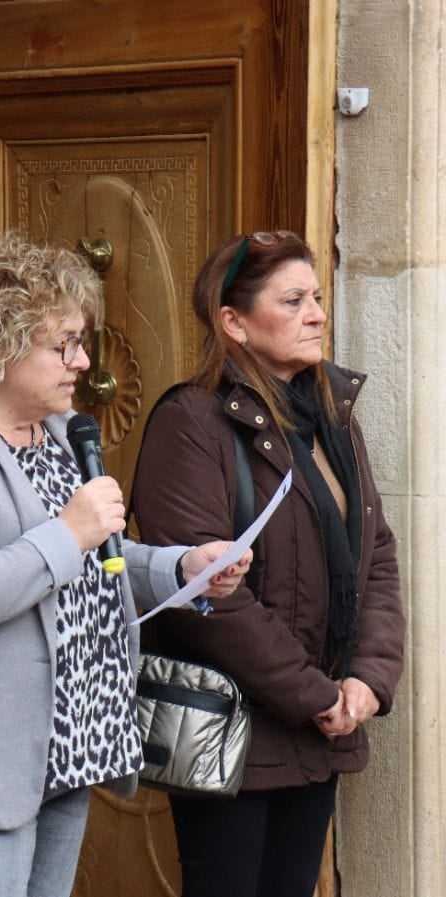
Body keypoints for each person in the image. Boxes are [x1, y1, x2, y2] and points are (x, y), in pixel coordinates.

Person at [0, 231, 249, 897]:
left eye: (81, 340)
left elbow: (97, 559)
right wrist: (68, 531)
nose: (81, 360)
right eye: (62, 343)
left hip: (71, 740)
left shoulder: (58, 432)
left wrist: (182, 567)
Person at [130, 231, 404, 897]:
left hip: (321, 730)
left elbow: (378, 555)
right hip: (231, 736)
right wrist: (317, 696)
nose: (317, 313)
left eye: (315, 296)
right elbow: (210, 596)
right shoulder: (192, 422)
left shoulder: (332, 418)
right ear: (234, 322)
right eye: (293, 300)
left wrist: (368, 677)